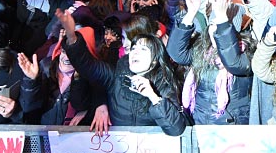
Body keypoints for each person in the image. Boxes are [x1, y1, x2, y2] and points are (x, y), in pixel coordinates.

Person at [58, 9, 186, 135]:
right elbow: (89, 66)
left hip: (150, 152)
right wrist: (71, 37)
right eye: (134, 48)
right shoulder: (117, 74)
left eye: (143, 49)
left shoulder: (163, 82)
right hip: (120, 152)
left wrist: (154, 97)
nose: (134, 51)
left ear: (154, 59)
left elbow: (176, 128)